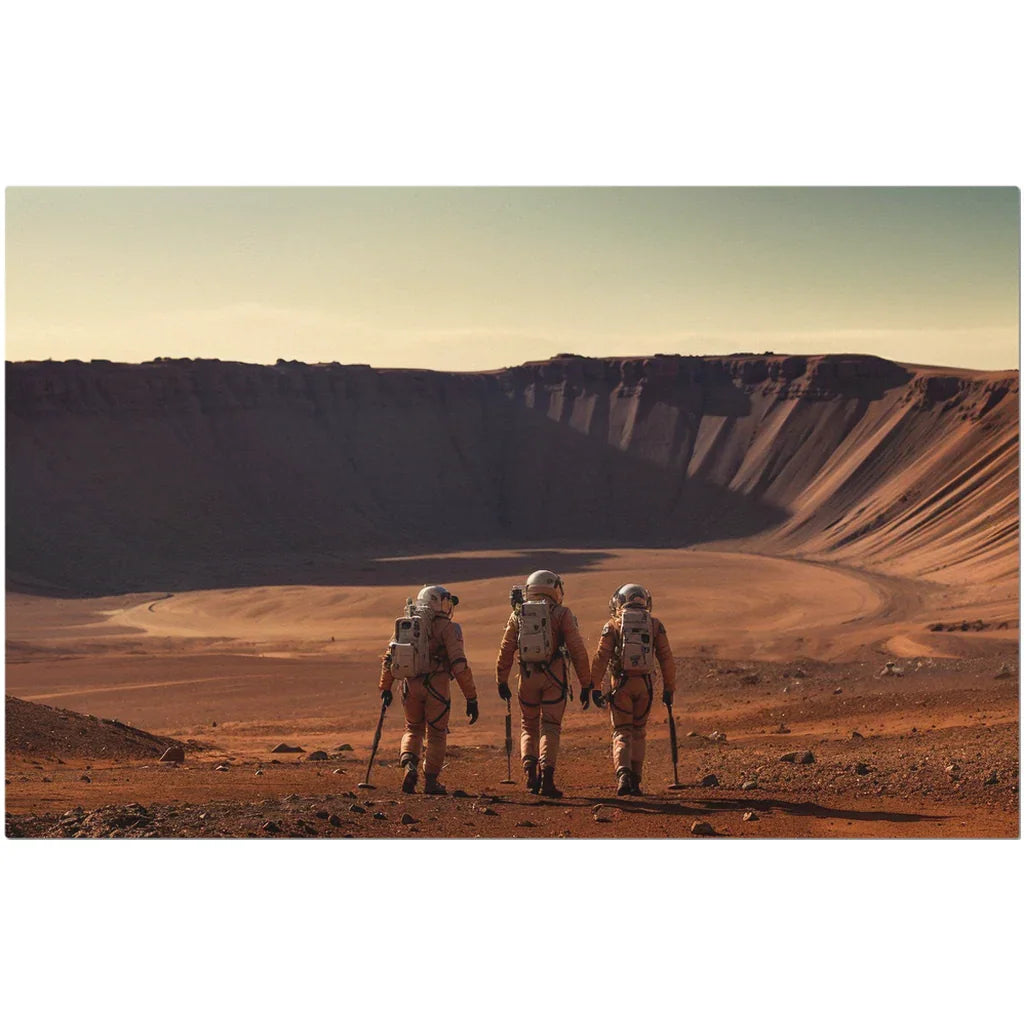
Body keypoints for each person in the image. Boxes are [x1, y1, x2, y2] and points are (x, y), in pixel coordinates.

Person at [495, 569, 597, 797]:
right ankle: (548, 779)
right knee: (550, 727)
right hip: (554, 678)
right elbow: (577, 651)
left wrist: (501, 680)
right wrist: (586, 683)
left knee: (528, 726)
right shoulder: (562, 614)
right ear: (555, 589)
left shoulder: (518, 614)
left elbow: (506, 649)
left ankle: (530, 774)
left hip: (527, 678)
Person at [378, 585, 478, 795]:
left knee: (413, 729)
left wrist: (385, 687)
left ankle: (409, 766)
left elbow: (390, 658)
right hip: (437, 687)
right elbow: (459, 664)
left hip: (410, 686)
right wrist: (471, 697)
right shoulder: (448, 628)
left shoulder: (407, 625)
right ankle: (430, 781)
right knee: (436, 734)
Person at [590, 584, 676, 796]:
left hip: (621, 685)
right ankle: (636, 780)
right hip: (645, 686)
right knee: (638, 731)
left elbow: (601, 658)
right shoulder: (655, 625)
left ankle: (623, 775)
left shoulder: (613, 625)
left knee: (622, 731)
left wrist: (594, 687)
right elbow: (666, 659)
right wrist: (668, 688)